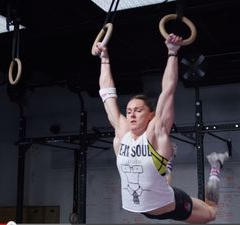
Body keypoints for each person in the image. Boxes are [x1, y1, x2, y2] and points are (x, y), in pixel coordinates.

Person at [92, 33, 229, 223]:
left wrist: (172, 53)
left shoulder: (155, 131)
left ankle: (215, 166)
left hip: (172, 206)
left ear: (151, 116)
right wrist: (104, 60)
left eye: (138, 111)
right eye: (129, 110)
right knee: (162, 176)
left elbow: (168, 90)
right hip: (148, 206)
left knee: (211, 213)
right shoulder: (122, 132)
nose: (131, 114)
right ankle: (167, 160)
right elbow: (106, 95)